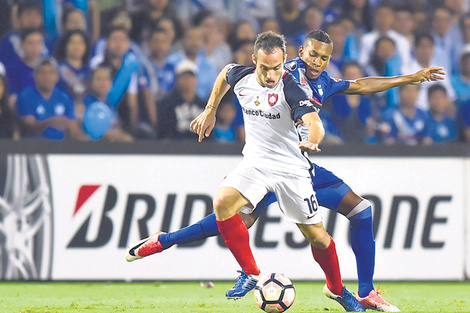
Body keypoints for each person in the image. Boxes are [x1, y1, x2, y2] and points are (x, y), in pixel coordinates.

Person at [126, 30, 444, 312]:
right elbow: (231, 73)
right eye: (313, 54)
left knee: (360, 211)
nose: (318, 61)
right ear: (299, 53)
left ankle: (364, 293)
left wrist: (409, 78)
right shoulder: (281, 70)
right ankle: (178, 245)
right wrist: (210, 109)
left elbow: (360, 86)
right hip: (265, 162)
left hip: (299, 165)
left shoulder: (324, 84)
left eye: (324, 57)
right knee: (235, 216)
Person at [16, 58, 79, 140]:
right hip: (33, 147)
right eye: (42, 73)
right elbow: (28, 127)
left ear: (57, 76)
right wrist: (50, 122)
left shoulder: (65, 98)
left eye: (51, 73)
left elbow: (72, 126)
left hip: (61, 147)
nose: (47, 77)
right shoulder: (25, 96)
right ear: (35, 75)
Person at [157, 60, 206, 140]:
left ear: (196, 79)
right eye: (184, 77)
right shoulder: (167, 104)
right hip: (174, 148)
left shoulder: (203, 105)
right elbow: (165, 131)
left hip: (199, 149)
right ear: (177, 80)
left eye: (190, 77)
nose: (187, 80)